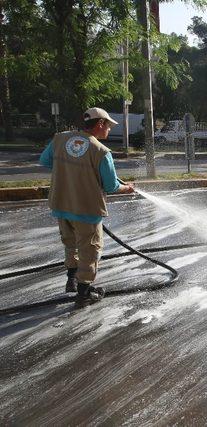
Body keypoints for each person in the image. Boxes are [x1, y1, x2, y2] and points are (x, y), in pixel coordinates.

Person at [39, 107, 135, 306]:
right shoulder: (100, 151)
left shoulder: (60, 139)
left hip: (61, 205)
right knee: (89, 250)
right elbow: (111, 186)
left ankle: (71, 280)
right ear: (100, 124)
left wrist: (68, 170)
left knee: (70, 243)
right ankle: (84, 290)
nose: (109, 129)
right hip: (86, 211)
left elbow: (45, 161)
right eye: (108, 125)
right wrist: (127, 188)